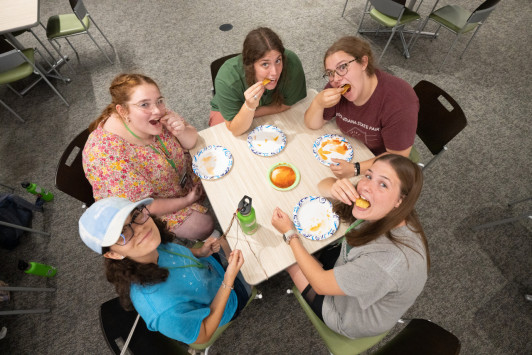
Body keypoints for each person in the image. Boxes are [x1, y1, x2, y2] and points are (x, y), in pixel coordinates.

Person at [271, 154, 429, 339]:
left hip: (350, 317)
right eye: (369, 176)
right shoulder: (389, 210)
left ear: (399, 201)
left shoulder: (385, 262)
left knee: (286, 258)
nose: (367, 186)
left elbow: (321, 284)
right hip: (355, 269)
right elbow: (324, 184)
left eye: (383, 184)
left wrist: (290, 234)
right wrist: (334, 187)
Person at [78, 197, 250, 344]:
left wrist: (200, 252)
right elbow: (204, 334)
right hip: (228, 299)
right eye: (122, 232)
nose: (140, 229)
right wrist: (228, 281)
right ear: (113, 254)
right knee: (254, 265)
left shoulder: (151, 245)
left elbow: (175, 254)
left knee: (230, 239)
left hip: (210, 269)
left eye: (136, 215)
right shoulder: (162, 310)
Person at [83, 73, 213, 242]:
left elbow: (191, 141)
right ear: (122, 111)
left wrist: (181, 131)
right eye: (144, 104)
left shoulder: (153, 114)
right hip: (152, 207)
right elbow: (143, 207)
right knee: (205, 225)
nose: (158, 110)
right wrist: (187, 200)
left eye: (159, 100)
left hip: (177, 181)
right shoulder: (107, 157)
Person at [304, 36, 419, 179]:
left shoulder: (399, 101)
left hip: (378, 162)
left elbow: (398, 157)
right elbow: (312, 124)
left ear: (364, 62)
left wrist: (356, 169)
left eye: (342, 67)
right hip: (350, 148)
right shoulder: (337, 84)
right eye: (330, 73)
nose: (336, 78)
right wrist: (318, 103)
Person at [209, 27, 307, 135]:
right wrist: (248, 107)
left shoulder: (291, 63)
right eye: (265, 64)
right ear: (250, 66)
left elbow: (287, 104)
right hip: (228, 112)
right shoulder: (227, 79)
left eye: (278, 60)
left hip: (264, 108)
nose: (274, 72)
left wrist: (252, 113)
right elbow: (235, 129)